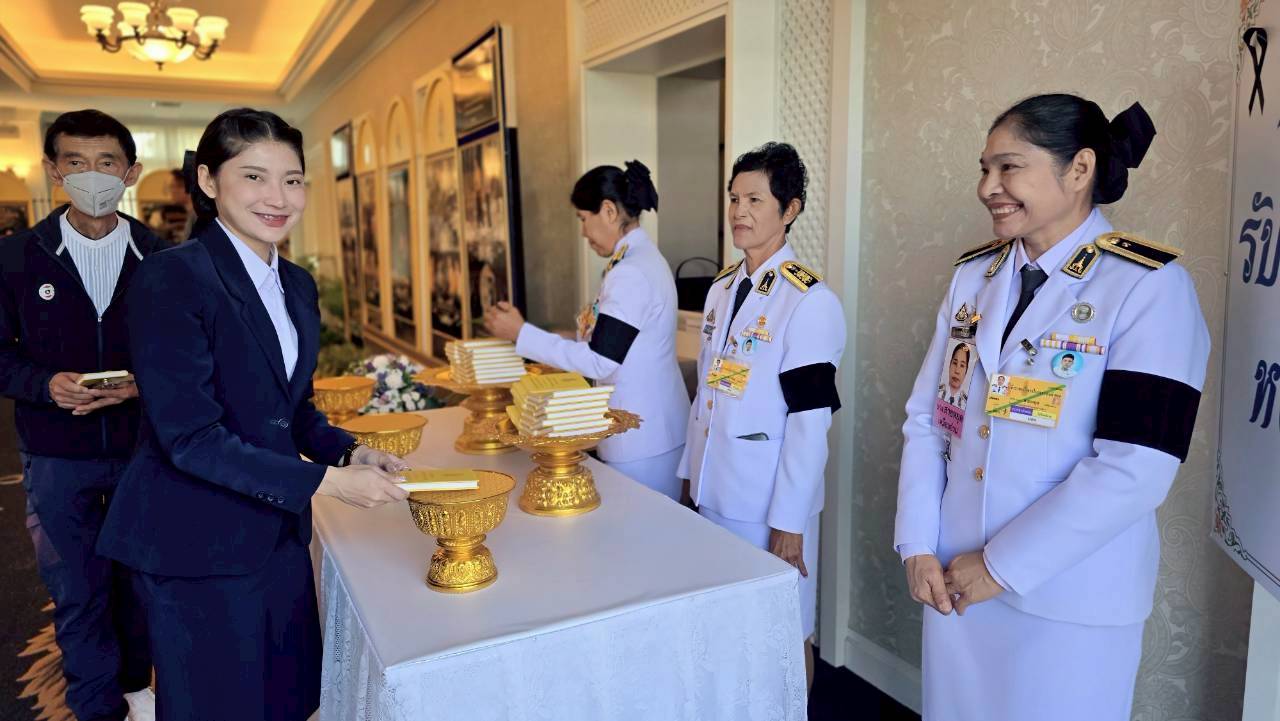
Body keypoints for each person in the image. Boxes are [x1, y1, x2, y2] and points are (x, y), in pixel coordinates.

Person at [894, 94, 1210, 721]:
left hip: (1070, 596)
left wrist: (1001, 566)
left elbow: (1137, 466)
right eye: (985, 168)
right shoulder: (973, 278)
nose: (988, 187)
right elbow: (931, 419)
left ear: (1080, 168)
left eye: (1009, 167)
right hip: (953, 576)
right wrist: (917, 543)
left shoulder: (1147, 286)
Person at [95, 108, 411, 721]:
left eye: (292, 180)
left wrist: (351, 451)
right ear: (208, 181)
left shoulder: (295, 283)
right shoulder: (172, 278)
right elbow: (190, 437)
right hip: (196, 539)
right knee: (219, 705)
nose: (278, 198)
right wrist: (328, 482)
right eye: (254, 177)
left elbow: (290, 409)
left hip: (275, 534)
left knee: (287, 700)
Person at [0, 109, 158, 721]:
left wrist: (142, 385)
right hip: (55, 457)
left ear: (130, 173)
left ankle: (138, 693)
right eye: (76, 162)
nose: (92, 175)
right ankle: (97, 711)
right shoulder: (16, 258)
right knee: (77, 594)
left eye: (106, 162)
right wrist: (45, 384)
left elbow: (190, 354)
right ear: (54, 170)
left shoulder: (164, 258)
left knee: (143, 588)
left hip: (144, 453)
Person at [678, 142, 845, 689]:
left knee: (784, 634)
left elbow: (810, 421)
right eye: (734, 198)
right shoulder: (722, 288)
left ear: (789, 209)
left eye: (755, 199)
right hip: (713, 490)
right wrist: (689, 475)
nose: (739, 211)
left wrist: (789, 523)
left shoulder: (808, 301)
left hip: (766, 504)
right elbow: (706, 392)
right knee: (726, 630)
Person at [485, 161, 690, 500]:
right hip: (651, 428)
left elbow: (601, 360)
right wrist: (549, 335)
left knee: (638, 526)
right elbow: (616, 340)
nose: (582, 231)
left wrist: (522, 335)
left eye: (583, 218)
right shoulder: (637, 260)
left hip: (640, 436)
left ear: (608, 211)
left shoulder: (631, 272)